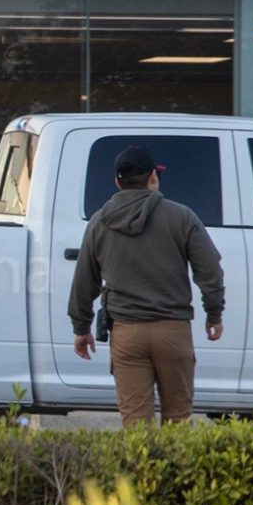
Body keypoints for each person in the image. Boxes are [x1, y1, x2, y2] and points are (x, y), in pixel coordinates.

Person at [68, 146, 225, 427]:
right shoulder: (182, 217)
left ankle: (140, 473)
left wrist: (82, 328)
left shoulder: (99, 223)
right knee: (178, 421)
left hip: (126, 333)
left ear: (118, 182)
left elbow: (84, 280)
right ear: (153, 177)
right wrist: (214, 314)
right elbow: (210, 269)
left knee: (136, 427)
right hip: (173, 331)